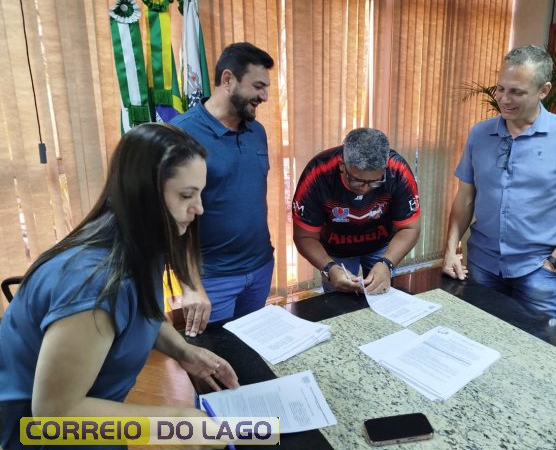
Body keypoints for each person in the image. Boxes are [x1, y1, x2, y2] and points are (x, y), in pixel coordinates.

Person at [0, 123, 239, 450]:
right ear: (143, 196)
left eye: (200, 193)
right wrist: (175, 423)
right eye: (186, 195)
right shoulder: (93, 285)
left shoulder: (144, 244)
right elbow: (56, 414)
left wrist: (184, 351)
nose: (199, 208)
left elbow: (141, 314)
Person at [442, 45, 556, 319]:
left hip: (538, 270)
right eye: (500, 88)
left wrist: (554, 264)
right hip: (482, 264)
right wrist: (450, 250)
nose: (504, 99)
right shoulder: (480, 134)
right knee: (478, 333)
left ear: (544, 90)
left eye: (516, 92)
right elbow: (465, 198)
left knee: (538, 342)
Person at [170, 42, 275, 330]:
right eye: (258, 86)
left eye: (266, 88)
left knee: (251, 346)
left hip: (260, 268)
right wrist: (190, 284)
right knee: (215, 354)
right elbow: (170, 220)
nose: (264, 96)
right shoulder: (182, 134)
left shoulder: (257, 131)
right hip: (212, 278)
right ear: (228, 80)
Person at [292, 128, 421, 294]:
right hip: (336, 250)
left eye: (375, 182)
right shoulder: (318, 173)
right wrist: (329, 268)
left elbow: (410, 228)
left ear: (385, 168)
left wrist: (387, 263)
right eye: (356, 181)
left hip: (381, 246)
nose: (365, 189)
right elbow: (304, 236)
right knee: (339, 299)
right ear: (342, 166)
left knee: (381, 292)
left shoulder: (397, 170)